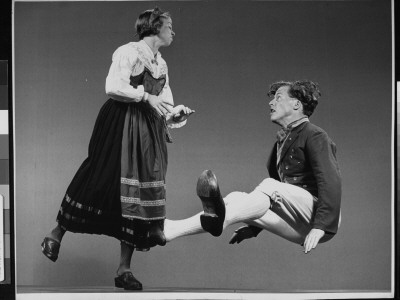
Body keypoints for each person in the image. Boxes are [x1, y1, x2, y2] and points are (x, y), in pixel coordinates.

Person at [41, 7, 194, 290]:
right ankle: (55, 233)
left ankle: (124, 268)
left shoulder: (161, 64)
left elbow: (165, 105)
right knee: (101, 178)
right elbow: (113, 86)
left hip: (148, 131)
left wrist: (176, 115)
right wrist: (146, 96)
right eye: (169, 26)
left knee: (138, 189)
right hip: (122, 123)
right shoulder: (129, 52)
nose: (173, 31)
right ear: (154, 27)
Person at [163, 80, 341, 254]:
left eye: (278, 98)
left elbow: (330, 182)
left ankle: (222, 220)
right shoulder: (282, 141)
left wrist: (321, 226)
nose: (271, 102)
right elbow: (277, 200)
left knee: (269, 185)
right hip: (297, 224)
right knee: (235, 197)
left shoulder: (315, 135)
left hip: (320, 219)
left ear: (296, 104)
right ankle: (170, 230)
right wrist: (254, 226)